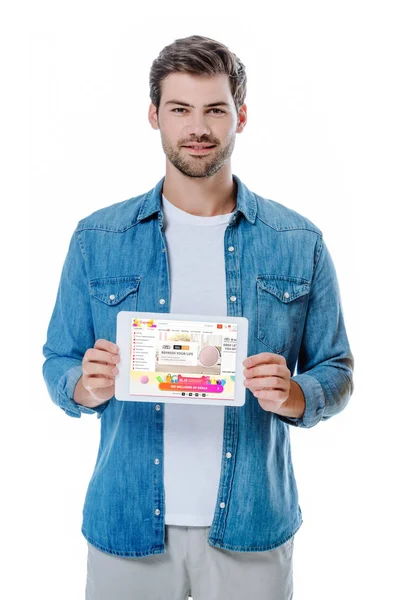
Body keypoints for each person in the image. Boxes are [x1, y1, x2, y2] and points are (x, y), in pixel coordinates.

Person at [42, 34, 354, 600]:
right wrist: (84, 387)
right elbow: (57, 361)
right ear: (154, 116)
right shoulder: (98, 238)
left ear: (240, 116)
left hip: (252, 526)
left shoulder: (297, 241)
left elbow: (336, 368)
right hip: (127, 524)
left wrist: (296, 396)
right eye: (180, 109)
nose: (198, 127)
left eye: (214, 109)